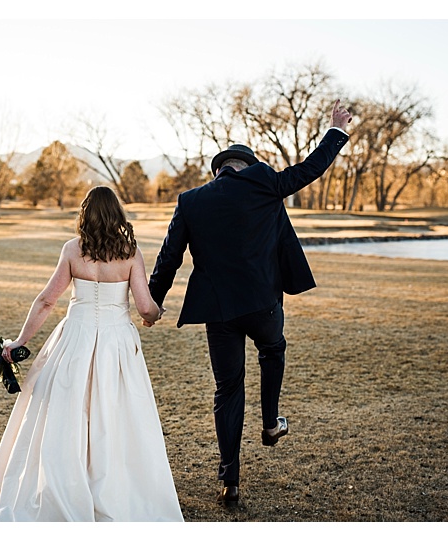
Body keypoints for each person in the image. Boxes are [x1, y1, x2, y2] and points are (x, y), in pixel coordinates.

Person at [147, 100, 350, 505]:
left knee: (228, 390)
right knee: (273, 349)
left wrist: (152, 300)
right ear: (246, 166)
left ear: (220, 169)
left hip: (218, 311)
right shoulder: (264, 183)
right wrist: (335, 131)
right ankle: (271, 422)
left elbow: (170, 256)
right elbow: (309, 169)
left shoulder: (191, 200)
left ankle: (230, 480)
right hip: (263, 305)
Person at [0, 186, 183, 521]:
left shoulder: (72, 250)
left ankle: (64, 482)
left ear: (84, 215)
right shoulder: (129, 252)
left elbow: (47, 301)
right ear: (116, 215)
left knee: (67, 413)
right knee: (115, 412)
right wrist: (154, 314)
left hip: (74, 339)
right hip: (116, 343)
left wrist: (19, 341)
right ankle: (112, 485)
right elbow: (144, 306)